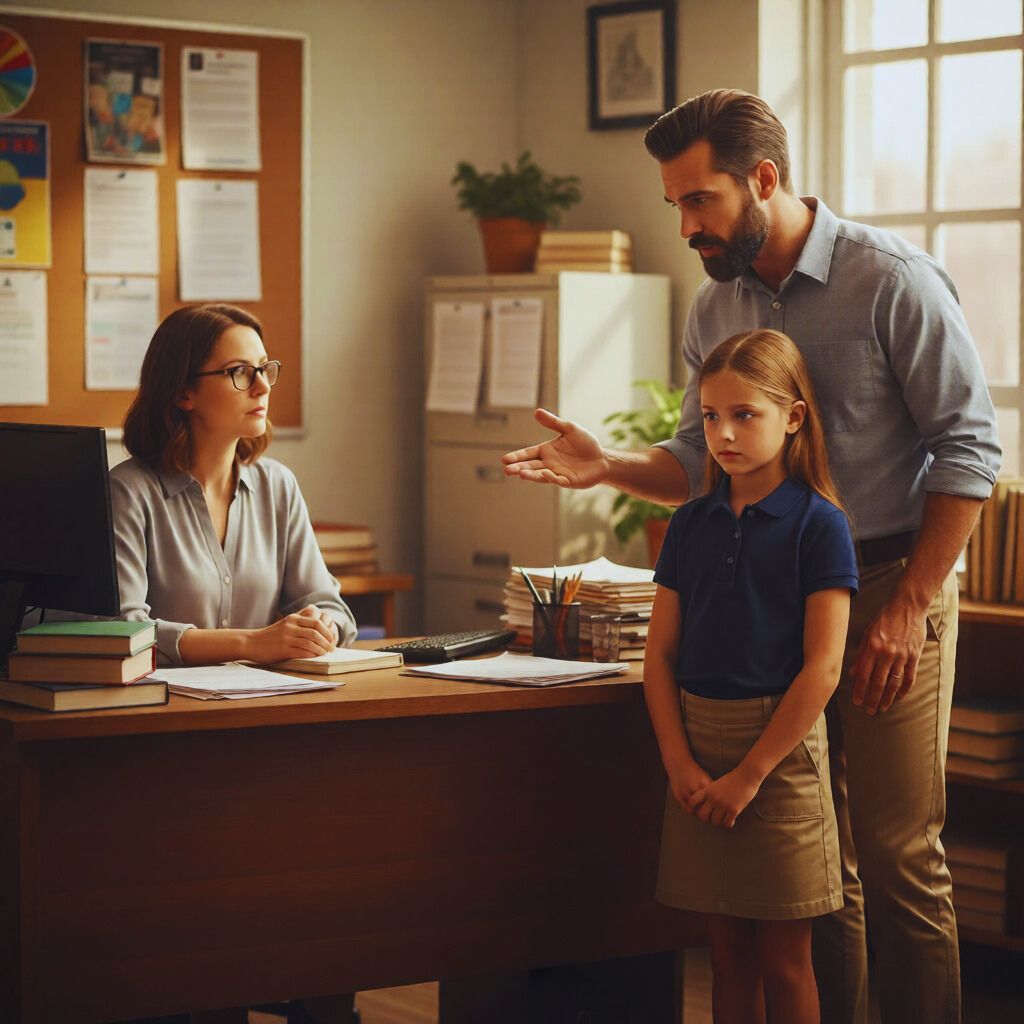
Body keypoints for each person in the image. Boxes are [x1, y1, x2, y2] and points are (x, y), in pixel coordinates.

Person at [502, 90, 1001, 1023]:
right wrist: (606, 464)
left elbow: (969, 448)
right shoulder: (715, 305)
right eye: (677, 206)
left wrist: (909, 608)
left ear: (763, 180)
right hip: (781, 595)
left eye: (700, 202)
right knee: (822, 864)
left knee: (899, 854)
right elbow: (698, 462)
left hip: (894, 582)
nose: (686, 225)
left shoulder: (893, 279)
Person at [113, 303, 358, 1024]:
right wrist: (252, 643)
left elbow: (332, 605)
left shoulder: (277, 486)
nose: (262, 385)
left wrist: (318, 627)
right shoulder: (131, 493)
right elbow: (126, 627)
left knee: (324, 886)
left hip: (275, 737)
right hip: (169, 752)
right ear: (183, 391)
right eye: (240, 371)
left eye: (265, 368)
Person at [646, 327, 855, 1024]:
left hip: (781, 757)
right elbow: (661, 658)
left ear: (793, 418)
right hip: (697, 751)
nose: (723, 434)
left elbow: (822, 671)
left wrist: (752, 773)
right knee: (727, 955)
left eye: (745, 415)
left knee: (783, 960)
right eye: (710, 416)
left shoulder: (819, 525)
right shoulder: (690, 524)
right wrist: (679, 760)